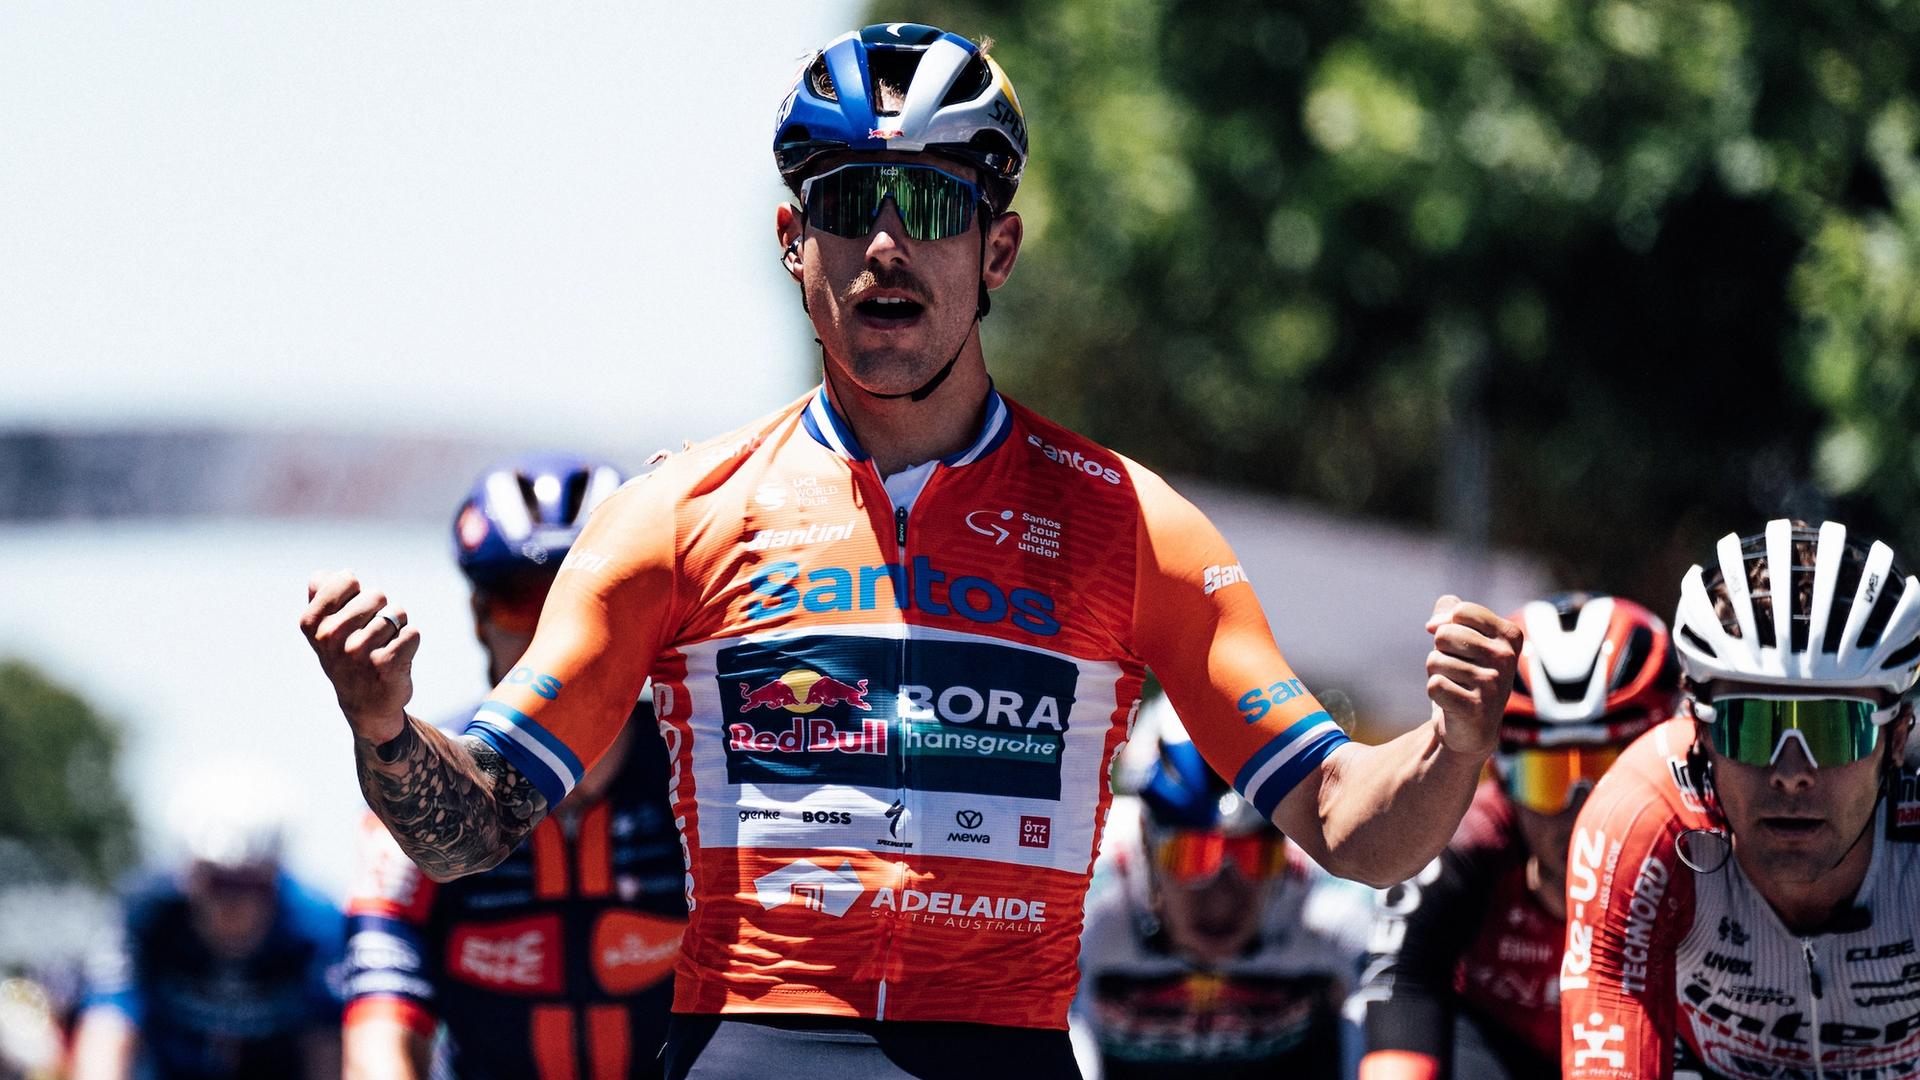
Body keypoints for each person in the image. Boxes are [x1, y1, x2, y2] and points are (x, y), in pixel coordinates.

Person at [299, 23, 1523, 1079]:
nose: (886, 244)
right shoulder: (674, 513)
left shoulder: (1130, 524)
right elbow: (476, 829)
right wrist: (386, 729)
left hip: (1005, 1044)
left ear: (998, 251)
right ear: (794, 241)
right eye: (847, 205)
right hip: (752, 1045)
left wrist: (1452, 745)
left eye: (932, 206)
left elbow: (1349, 824)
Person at [341, 454, 686, 1080]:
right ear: (479, 618)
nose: (555, 633)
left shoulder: (700, 769)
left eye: (589, 599)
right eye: (522, 602)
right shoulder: (415, 784)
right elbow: (379, 1026)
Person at [1560, 519, 1920, 1079]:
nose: (1791, 774)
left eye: (1834, 730)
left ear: (1896, 739)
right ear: (1700, 732)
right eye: (1750, 727)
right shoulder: (1644, 819)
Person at [1358, 594, 1679, 1079]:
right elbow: (1405, 990)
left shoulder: (1706, 843)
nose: (1580, 809)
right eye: (1547, 778)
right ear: (1502, 779)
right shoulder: (1463, 849)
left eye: (1608, 773)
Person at [1071, 696, 1371, 1079]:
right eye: (1194, 857)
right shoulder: (1089, 886)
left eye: (1254, 857)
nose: (1222, 897)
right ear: (1145, 846)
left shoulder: (1333, 888)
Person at [68, 781, 343, 1080]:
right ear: (190, 877)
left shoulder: (316, 927)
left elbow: (326, 1053)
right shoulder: (144, 915)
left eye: (251, 884)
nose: (235, 905)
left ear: (275, 878)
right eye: (218, 883)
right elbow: (105, 1033)